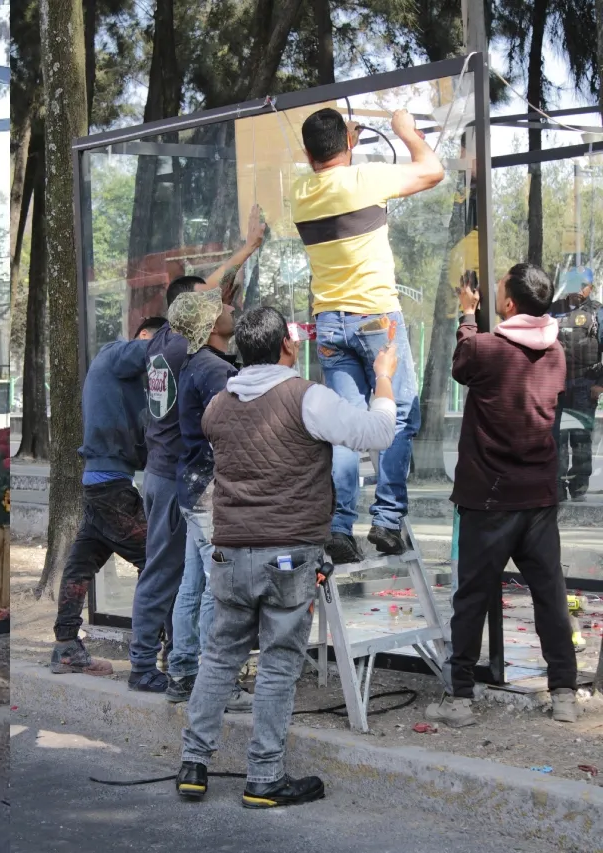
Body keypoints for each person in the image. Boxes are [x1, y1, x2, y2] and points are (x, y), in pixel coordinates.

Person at [176, 306, 396, 808]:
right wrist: (382, 378)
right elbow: (376, 433)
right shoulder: (307, 398)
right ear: (287, 348)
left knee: (219, 656)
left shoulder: (217, 406)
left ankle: (193, 764)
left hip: (230, 555)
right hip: (288, 557)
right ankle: (265, 777)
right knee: (277, 663)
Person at [428, 264, 579, 727]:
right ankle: (564, 695)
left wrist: (467, 314)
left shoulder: (486, 349)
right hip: (537, 498)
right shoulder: (556, 354)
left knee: (471, 597)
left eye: (498, 293)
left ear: (510, 304)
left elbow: (462, 362)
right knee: (550, 595)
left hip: (489, 500)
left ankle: (460, 700)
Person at [293, 107, 444, 563]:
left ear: (307, 153)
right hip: (376, 318)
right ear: (350, 145)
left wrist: (343, 142)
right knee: (395, 417)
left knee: (345, 427)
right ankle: (386, 520)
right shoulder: (364, 180)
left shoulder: (300, 192)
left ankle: (340, 526)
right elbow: (432, 170)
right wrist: (405, 132)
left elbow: (326, 165)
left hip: (331, 323)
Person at [130, 208, 266, 692]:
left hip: (165, 472)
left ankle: (180, 666)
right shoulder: (199, 361)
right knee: (179, 575)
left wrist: (248, 248)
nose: (221, 303)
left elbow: (207, 288)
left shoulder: (162, 343)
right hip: (176, 475)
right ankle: (151, 664)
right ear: (195, 315)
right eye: (210, 303)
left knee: (184, 576)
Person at [50, 316, 169, 676]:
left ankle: (66, 647)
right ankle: (160, 655)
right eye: (156, 345)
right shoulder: (115, 354)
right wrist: (173, 341)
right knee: (159, 564)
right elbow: (148, 349)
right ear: (145, 337)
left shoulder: (134, 386)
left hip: (102, 485)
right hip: (111, 488)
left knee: (81, 564)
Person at [162, 290, 252, 709]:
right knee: (219, 589)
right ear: (212, 325)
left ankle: (182, 672)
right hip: (209, 492)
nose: (232, 310)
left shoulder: (195, 363)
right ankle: (217, 683)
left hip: (192, 486)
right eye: (224, 309)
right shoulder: (215, 371)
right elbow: (234, 433)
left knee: (192, 584)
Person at [548, 270, 603, 502]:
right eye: (575, 284)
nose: (580, 289)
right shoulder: (553, 311)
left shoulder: (597, 313)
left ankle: (579, 486)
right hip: (555, 385)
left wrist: (600, 384)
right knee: (555, 437)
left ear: (590, 287)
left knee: (580, 436)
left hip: (584, 384)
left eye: (585, 285)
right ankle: (557, 486)